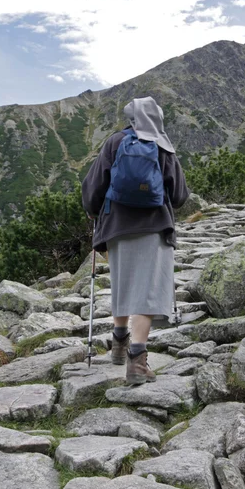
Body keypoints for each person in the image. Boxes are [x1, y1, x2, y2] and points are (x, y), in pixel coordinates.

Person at [82, 97, 189, 385]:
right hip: (154, 228)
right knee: (147, 290)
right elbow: (179, 196)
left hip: (116, 227)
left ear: (131, 117)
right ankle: (138, 361)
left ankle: (118, 344)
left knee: (123, 282)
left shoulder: (115, 142)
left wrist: (95, 214)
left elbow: (92, 188)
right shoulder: (162, 145)